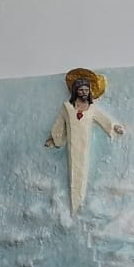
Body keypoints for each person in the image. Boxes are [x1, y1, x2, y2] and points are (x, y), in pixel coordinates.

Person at [45, 69, 124, 216]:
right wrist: (54, 138)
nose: (84, 92)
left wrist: (115, 127)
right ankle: (74, 209)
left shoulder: (92, 109)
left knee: (82, 173)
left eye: (86, 90)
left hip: (84, 145)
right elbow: (59, 124)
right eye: (81, 90)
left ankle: (79, 208)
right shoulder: (67, 107)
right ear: (75, 91)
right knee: (73, 173)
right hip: (72, 145)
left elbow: (104, 119)